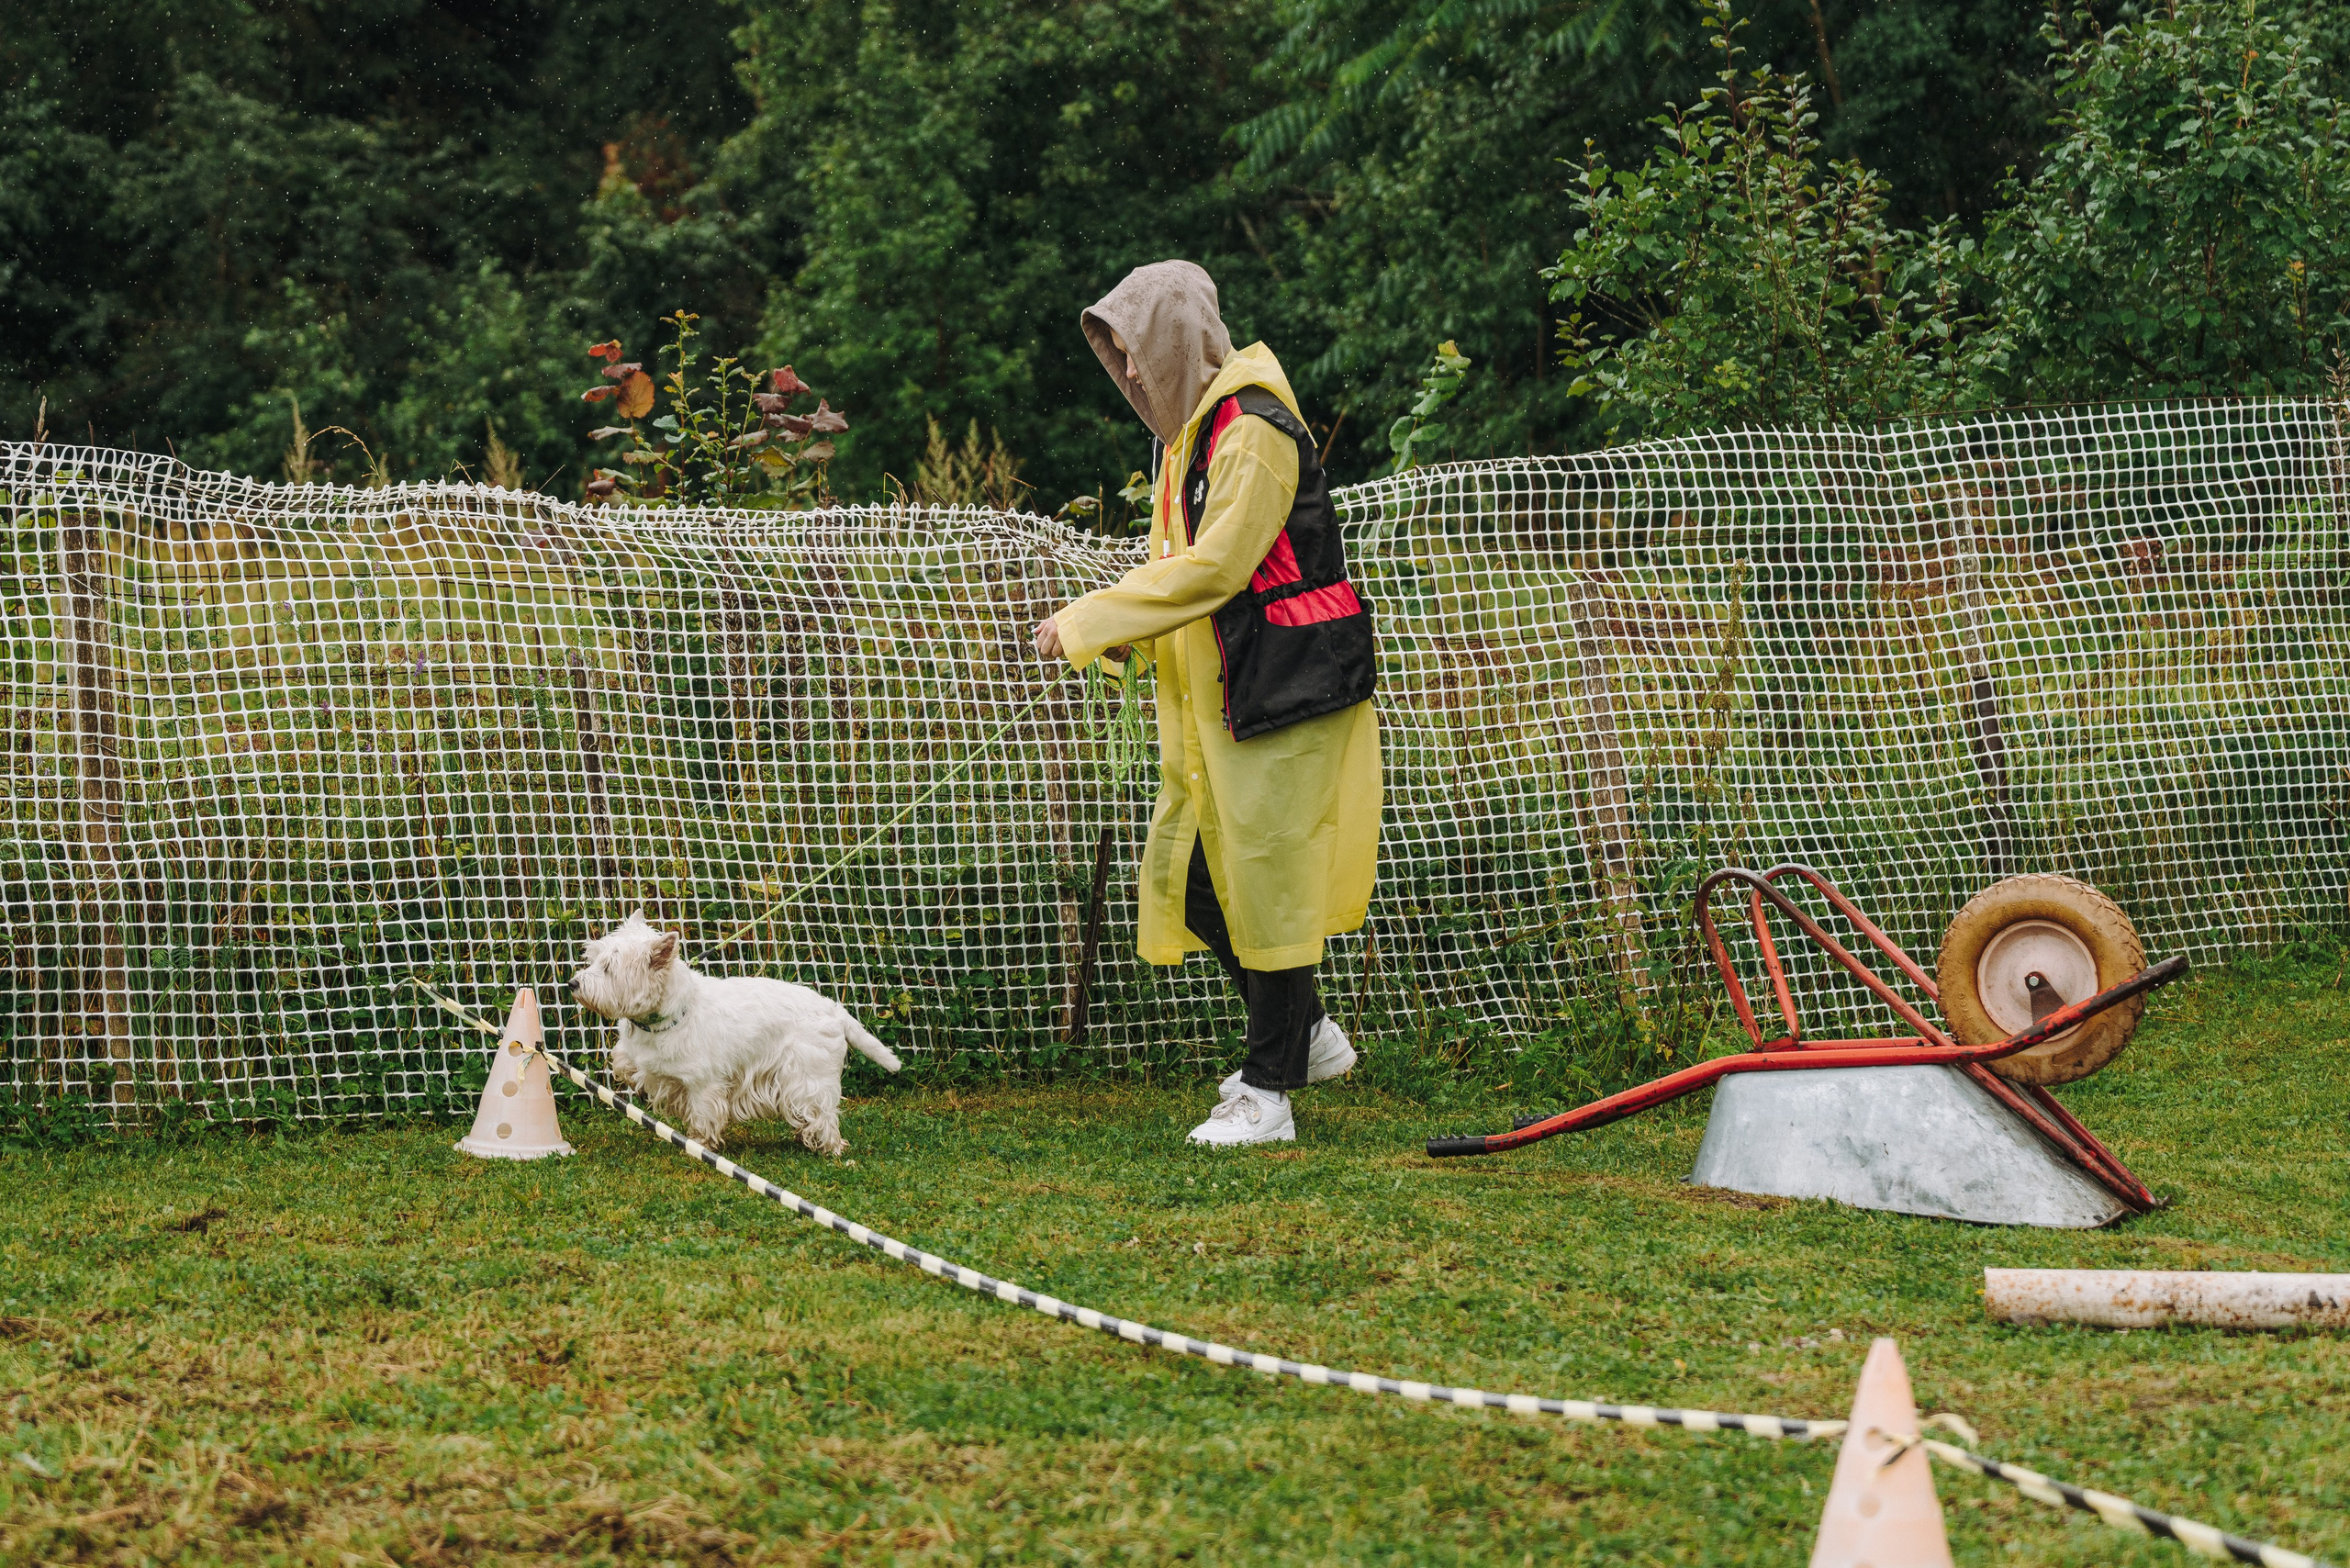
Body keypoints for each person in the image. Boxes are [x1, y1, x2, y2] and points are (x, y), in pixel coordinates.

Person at [1034, 260, 1382, 1146]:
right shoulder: (1194, 435)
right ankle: (1304, 1034)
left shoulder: (1255, 430)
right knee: (1196, 880)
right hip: (1223, 699)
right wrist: (1117, 648)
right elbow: (1178, 575)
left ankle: (1269, 1092)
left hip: (1282, 689)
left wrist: (1087, 618)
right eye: (1121, 360)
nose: (1134, 376)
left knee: (1264, 885)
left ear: (1176, 343)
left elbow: (1222, 567)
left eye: (1138, 354)